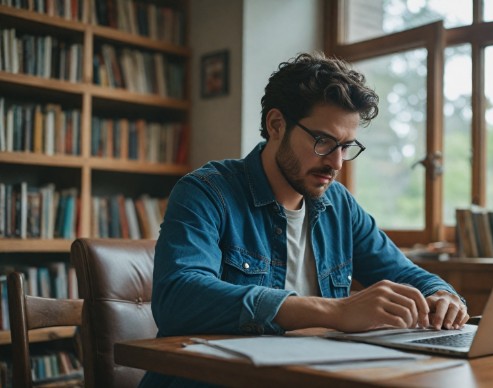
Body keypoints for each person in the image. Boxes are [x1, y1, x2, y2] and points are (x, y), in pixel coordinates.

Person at [139, 52, 468, 387]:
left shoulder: (339, 205)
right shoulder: (206, 191)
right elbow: (178, 298)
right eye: (324, 141)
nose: (337, 163)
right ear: (276, 124)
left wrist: (442, 295)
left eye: (346, 146)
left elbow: (403, 273)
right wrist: (336, 312)